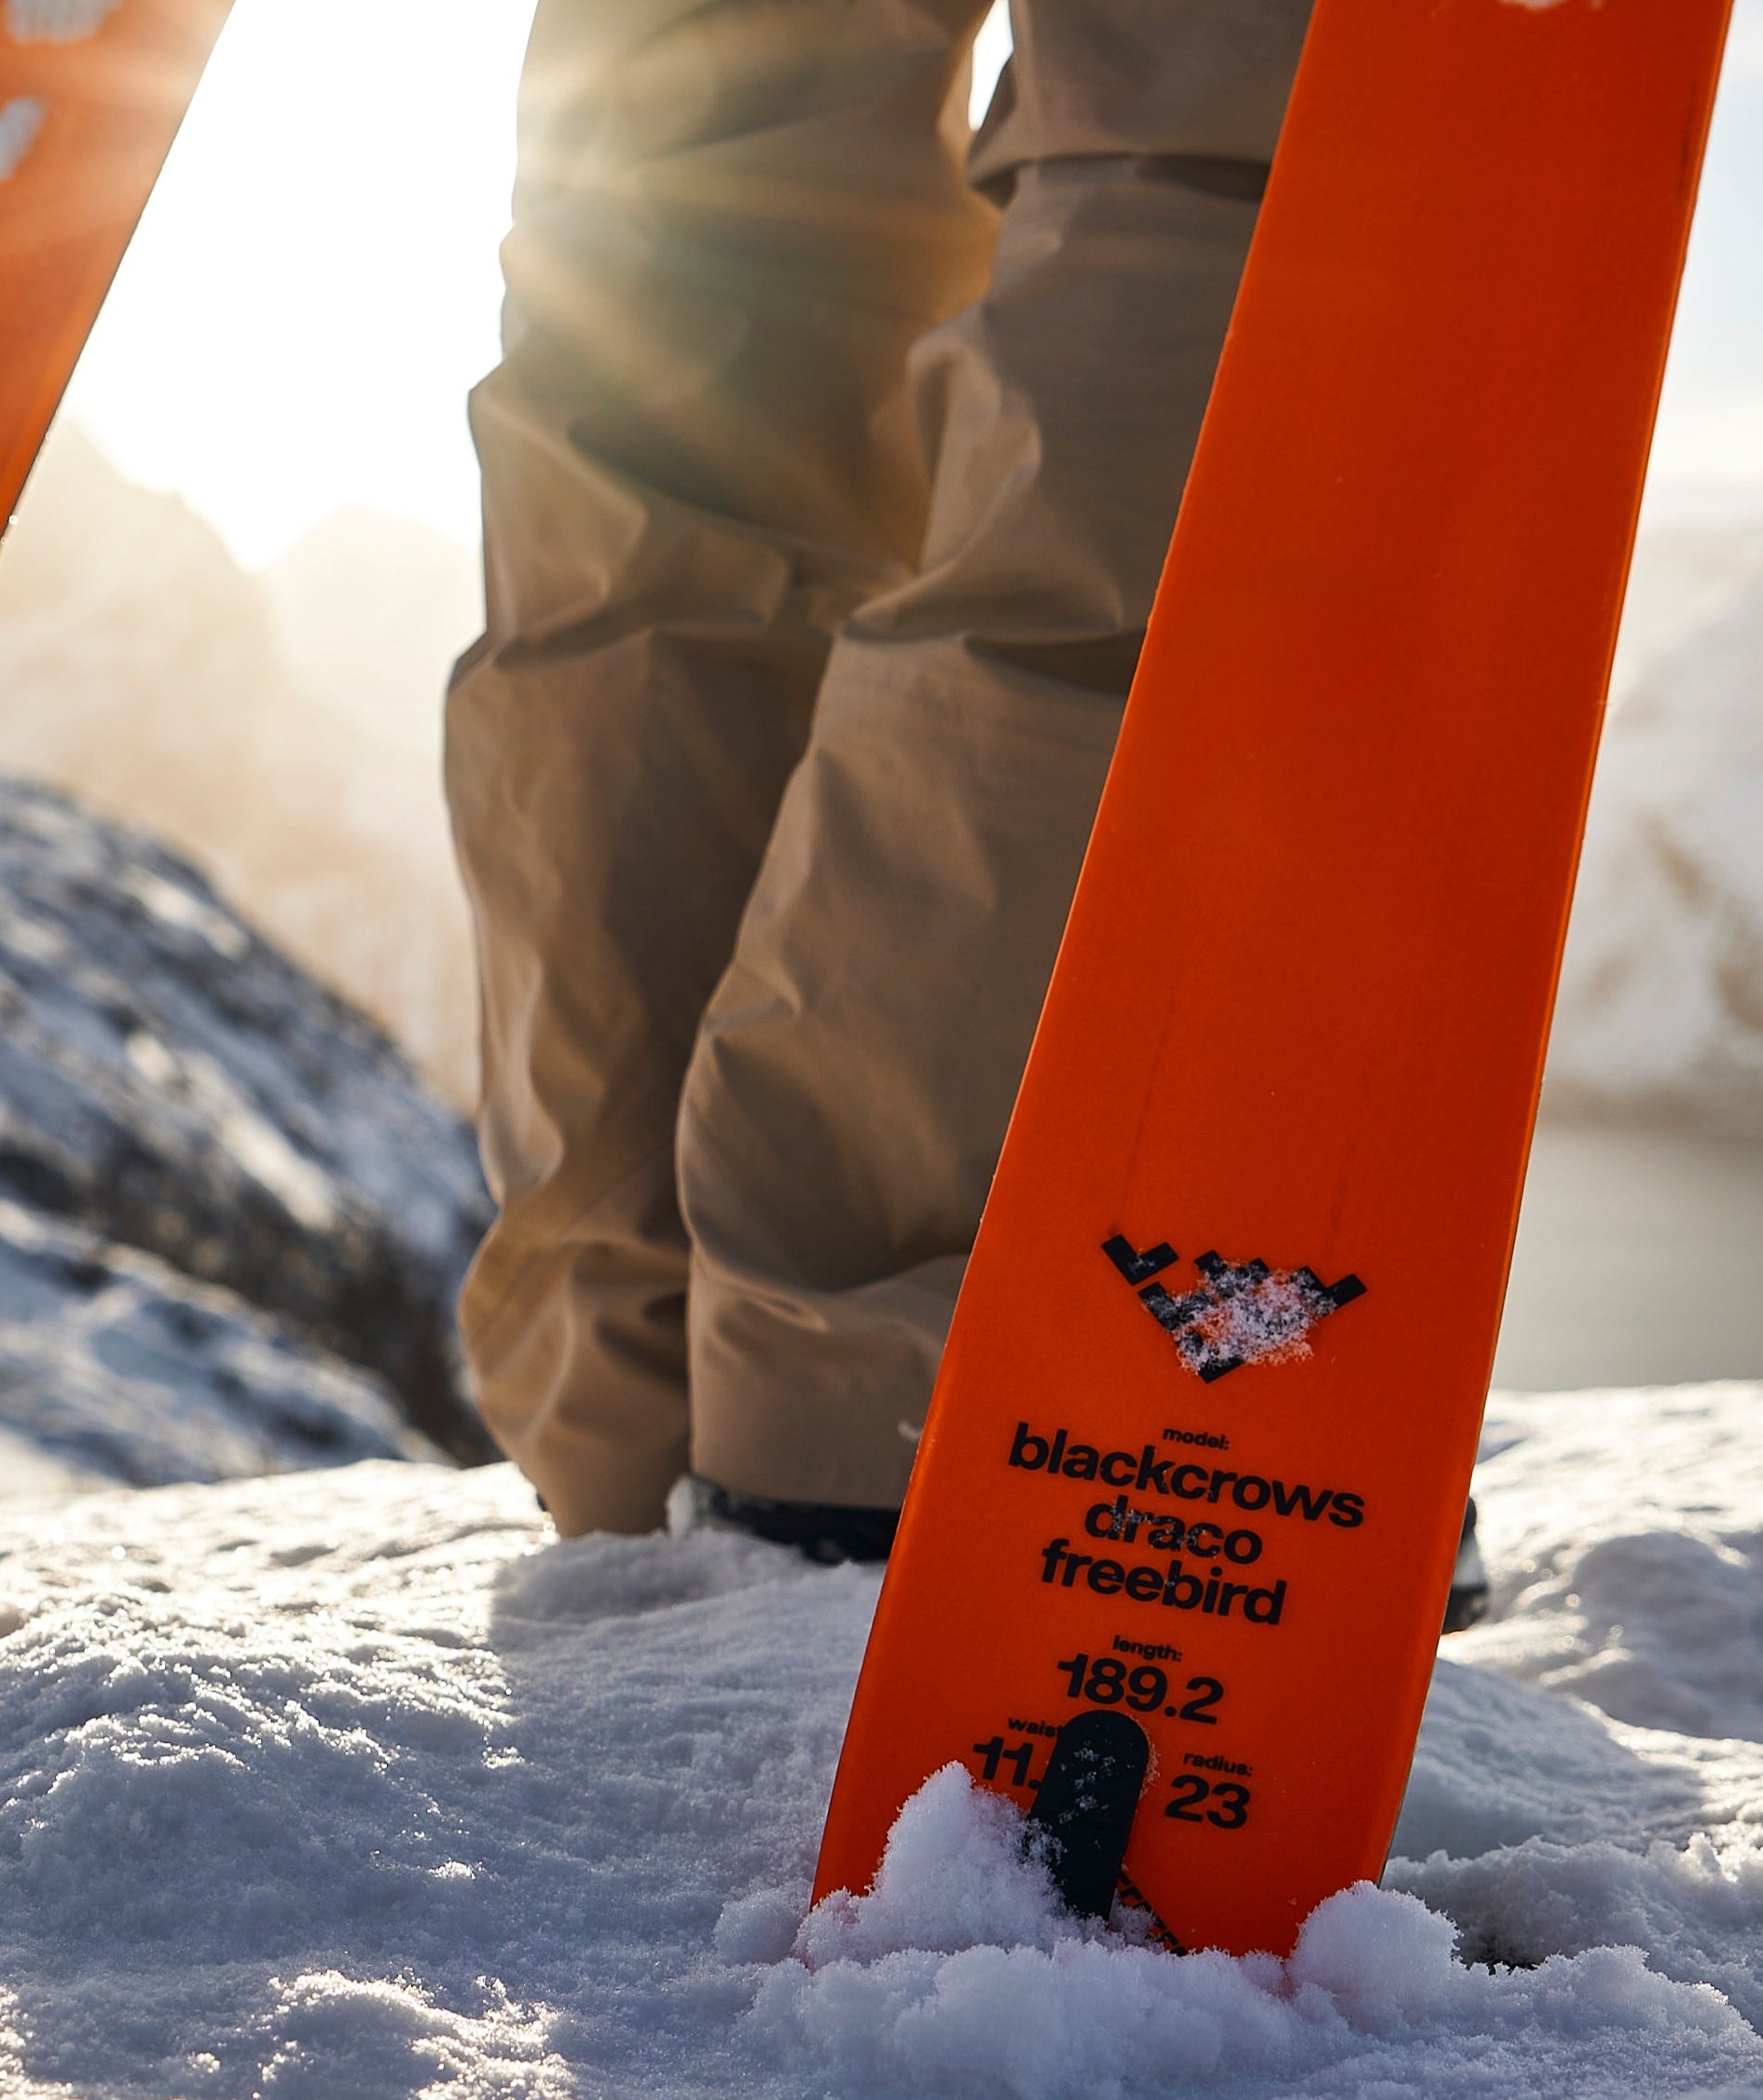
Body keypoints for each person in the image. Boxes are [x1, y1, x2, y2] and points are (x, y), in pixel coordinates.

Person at [442, 0, 1320, 1559]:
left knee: (705, 190)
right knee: (1211, 133)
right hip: (935, 1459)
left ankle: (635, 1372)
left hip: (634, 1416)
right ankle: (889, 1378)